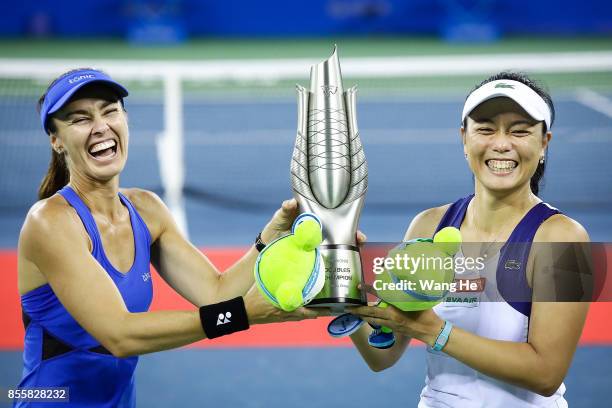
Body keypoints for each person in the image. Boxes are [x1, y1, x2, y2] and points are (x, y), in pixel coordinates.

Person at [15, 68, 324, 407]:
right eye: (79, 119)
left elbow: (215, 292)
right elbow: (119, 334)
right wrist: (240, 314)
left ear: (125, 118)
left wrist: (271, 236)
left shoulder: (147, 210)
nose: (100, 126)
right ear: (56, 140)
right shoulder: (50, 223)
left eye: (110, 110)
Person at [350, 72, 590, 407]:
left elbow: (546, 373)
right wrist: (344, 292)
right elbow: (382, 356)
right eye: (486, 128)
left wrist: (435, 331)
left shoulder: (563, 237)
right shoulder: (427, 226)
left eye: (519, 131)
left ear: (544, 142)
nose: (501, 143)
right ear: (464, 138)